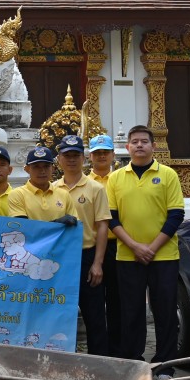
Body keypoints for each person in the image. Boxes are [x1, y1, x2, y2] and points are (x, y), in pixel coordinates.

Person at [105, 125, 185, 380]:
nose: (139, 145)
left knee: (165, 312)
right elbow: (111, 218)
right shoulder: (116, 178)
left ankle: (164, 367)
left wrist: (152, 247)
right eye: (135, 141)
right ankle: (135, 365)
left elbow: (176, 214)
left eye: (144, 141)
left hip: (164, 256)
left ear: (153, 146)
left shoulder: (168, 174)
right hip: (128, 256)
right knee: (131, 312)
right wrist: (135, 246)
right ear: (127, 147)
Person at [53, 135, 112, 357]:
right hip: (60, 259)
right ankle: (63, 359)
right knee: (60, 314)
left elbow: (103, 226)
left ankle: (99, 362)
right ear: (59, 159)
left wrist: (98, 263)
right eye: (67, 155)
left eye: (75, 155)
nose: (71, 160)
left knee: (94, 315)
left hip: (87, 255)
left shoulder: (95, 188)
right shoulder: (52, 189)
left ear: (84, 158)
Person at [87, 133, 123, 357]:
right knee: (94, 304)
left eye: (105, 152)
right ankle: (98, 352)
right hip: (92, 248)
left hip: (118, 245)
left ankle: (118, 350)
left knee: (117, 301)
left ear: (113, 155)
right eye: (97, 153)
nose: (101, 156)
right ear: (90, 156)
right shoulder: (84, 183)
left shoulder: (120, 180)